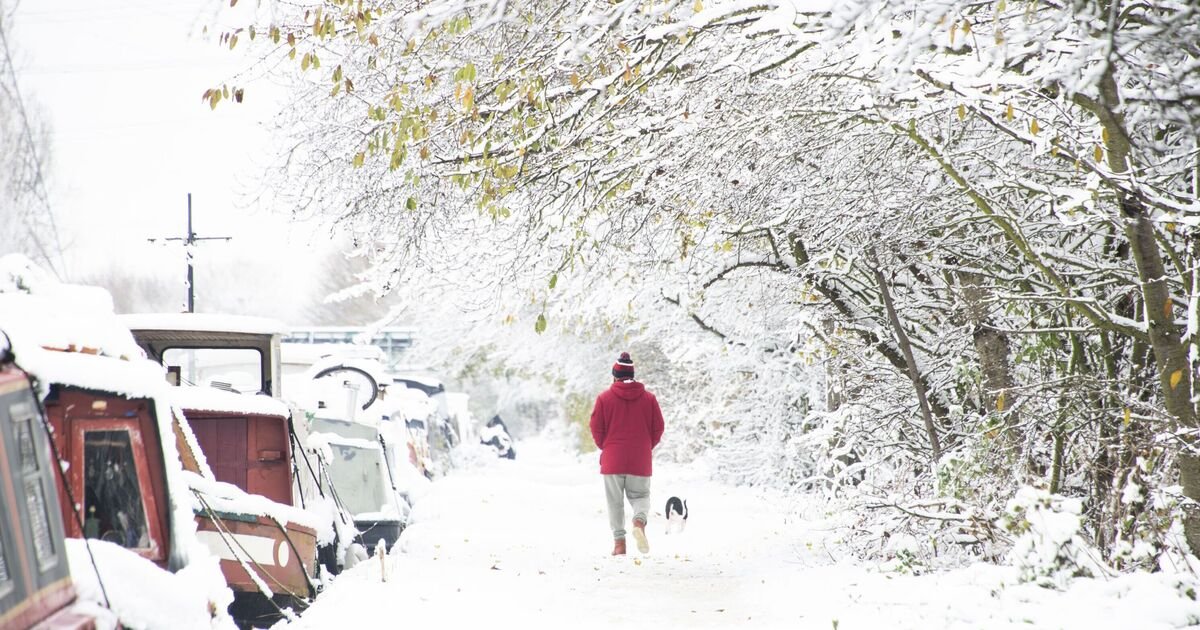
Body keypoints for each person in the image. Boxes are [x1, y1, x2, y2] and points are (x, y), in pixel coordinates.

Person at [589, 351, 664, 555]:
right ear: (633, 375)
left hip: (613, 459)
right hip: (640, 459)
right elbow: (658, 428)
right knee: (640, 495)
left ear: (614, 376)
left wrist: (607, 446)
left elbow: (596, 428)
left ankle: (619, 543)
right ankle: (639, 521)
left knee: (614, 502)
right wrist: (645, 447)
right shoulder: (649, 399)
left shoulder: (604, 399)